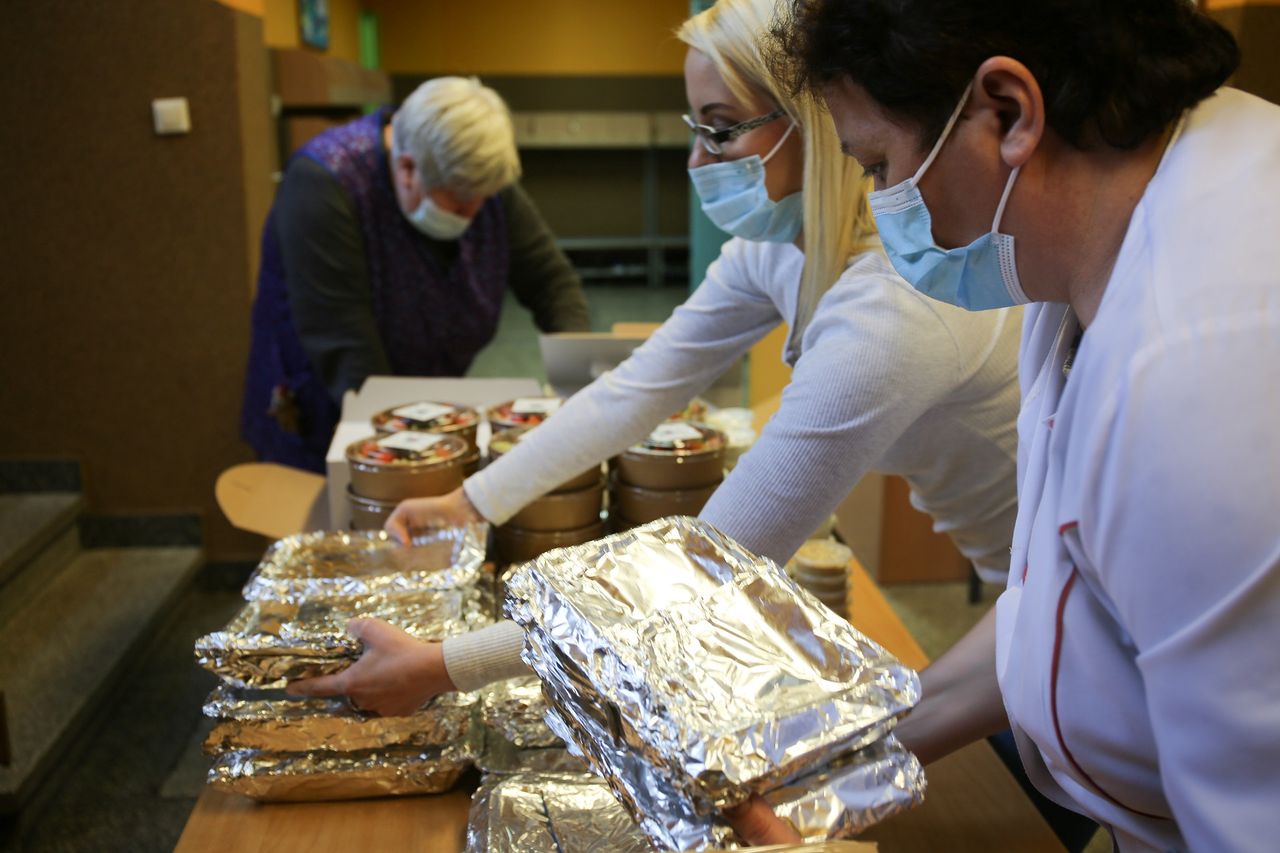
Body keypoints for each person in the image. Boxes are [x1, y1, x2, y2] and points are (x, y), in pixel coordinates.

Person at [289, 0, 1022, 720]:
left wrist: (440, 665)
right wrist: (472, 501)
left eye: (723, 130)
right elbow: (634, 390)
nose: (698, 160)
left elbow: (704, 568)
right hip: (1022, 582)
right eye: (694, 129)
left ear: (826, 121)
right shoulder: (779, 248)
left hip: (1070, 585)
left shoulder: (892, 309)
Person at [729, 0, 1280, 848]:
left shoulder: (1201, 368)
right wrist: (838, 772)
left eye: (879, 165)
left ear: (1008, 113)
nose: (881, 201)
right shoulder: (1077, 254)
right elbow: (1058, 605)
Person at [241, 76, 590, 472]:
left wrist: (581, 381)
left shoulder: (479, 177)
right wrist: (411, 455)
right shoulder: (324, 184)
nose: (473, 214)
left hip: (424, 402)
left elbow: (550, 280)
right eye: (458, 203)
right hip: (328, 405)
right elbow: (343, 341)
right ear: (408, 169)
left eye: (482, 200)